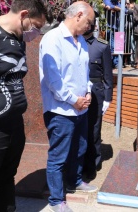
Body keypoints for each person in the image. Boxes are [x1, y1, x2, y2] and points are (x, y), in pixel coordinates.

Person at [0, 0, 51, 211]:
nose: (35, 32)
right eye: (36, 26)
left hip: (14, 126)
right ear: (24, 14)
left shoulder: (18, 38)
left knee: (6, 179)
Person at [39, 2, 98, 211]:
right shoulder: (52, 39)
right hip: (61, 110)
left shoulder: (81, 40)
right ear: (79, 15)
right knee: (59, 156)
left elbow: (84, 73)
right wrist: (74, 99)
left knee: (80, 148)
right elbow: (53, 79)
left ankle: (74, 181)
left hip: (80, 108)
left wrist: (88, 92)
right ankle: (56, 200)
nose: (89, 27)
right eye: (89, 22)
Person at [82, 20, 113, 181]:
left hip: (96, 91)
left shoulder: (101, 46)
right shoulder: (73, 42)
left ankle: (92, 165)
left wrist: (108, 97)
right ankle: (79, 164)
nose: (87, 27)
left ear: (94, 26)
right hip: (78, 90)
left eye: (90, 24)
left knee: (93, 130)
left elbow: (107, 74)